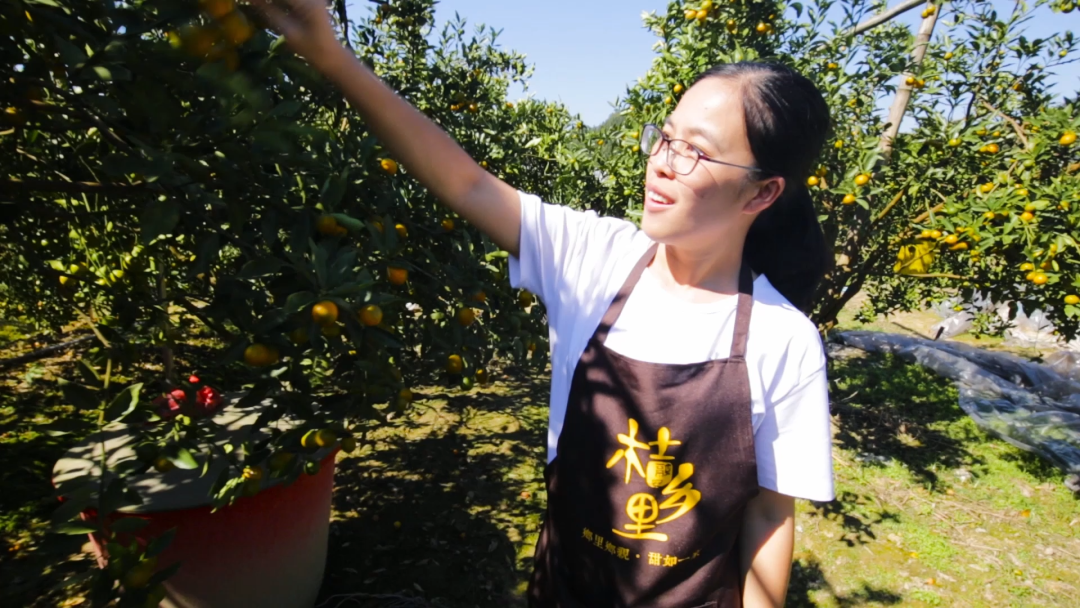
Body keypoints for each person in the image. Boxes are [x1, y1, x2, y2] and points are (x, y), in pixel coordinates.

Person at [252, 1, 835, 605]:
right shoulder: (593, 261)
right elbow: (467, 182)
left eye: (695, 151)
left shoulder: (781, 339)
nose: (661, 164)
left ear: (762, 192)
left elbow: (768, 514)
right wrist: (329, 55)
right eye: (664, 137)